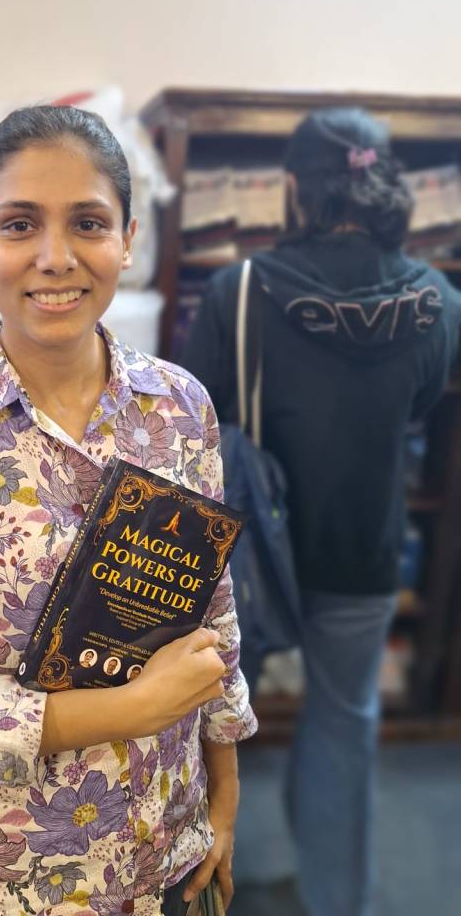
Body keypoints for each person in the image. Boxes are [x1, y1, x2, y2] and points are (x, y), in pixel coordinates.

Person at [0, 105, 257, 916]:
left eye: (88, 223)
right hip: (4, 885)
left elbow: (210, 614)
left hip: (167, 857)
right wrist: (129, 709)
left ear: (127, 239)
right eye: (19, 224)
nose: (55, 256)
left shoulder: (179, 408)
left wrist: (224, 797)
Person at [182, 107, 461, 916]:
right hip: (364, 550)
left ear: (293, 188)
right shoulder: (441, 301)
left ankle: (195, 888)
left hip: (244, 560)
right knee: (344, 725)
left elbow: (194, 426)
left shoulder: (237, 293)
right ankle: (337, 900)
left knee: (195, 723)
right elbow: (418, 405)